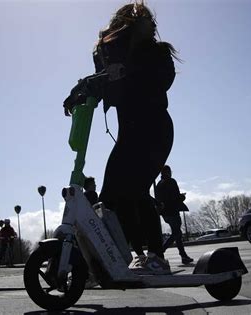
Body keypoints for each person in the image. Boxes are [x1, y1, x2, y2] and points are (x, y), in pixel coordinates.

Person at [65, 2, 177, 275]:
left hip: (154, 131)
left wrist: (127, 72)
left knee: (137, 190)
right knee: (111, 196)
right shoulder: (113, 57)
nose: (152, 26)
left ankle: (157, 256)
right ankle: (135, 254)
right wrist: (80, 91)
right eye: (146, 21)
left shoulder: (156, 54)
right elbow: (104, 83)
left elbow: (162, 78)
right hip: (129, 134)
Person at [155, 165, 194, 264]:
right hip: (173, 211)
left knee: (177, 234)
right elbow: (175, 197)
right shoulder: (171, 181)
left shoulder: (159, 184)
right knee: (176, 233)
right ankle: (161, 251)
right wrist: (182, 197)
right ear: (168, 172)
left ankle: (183, 256)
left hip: (165, 213)